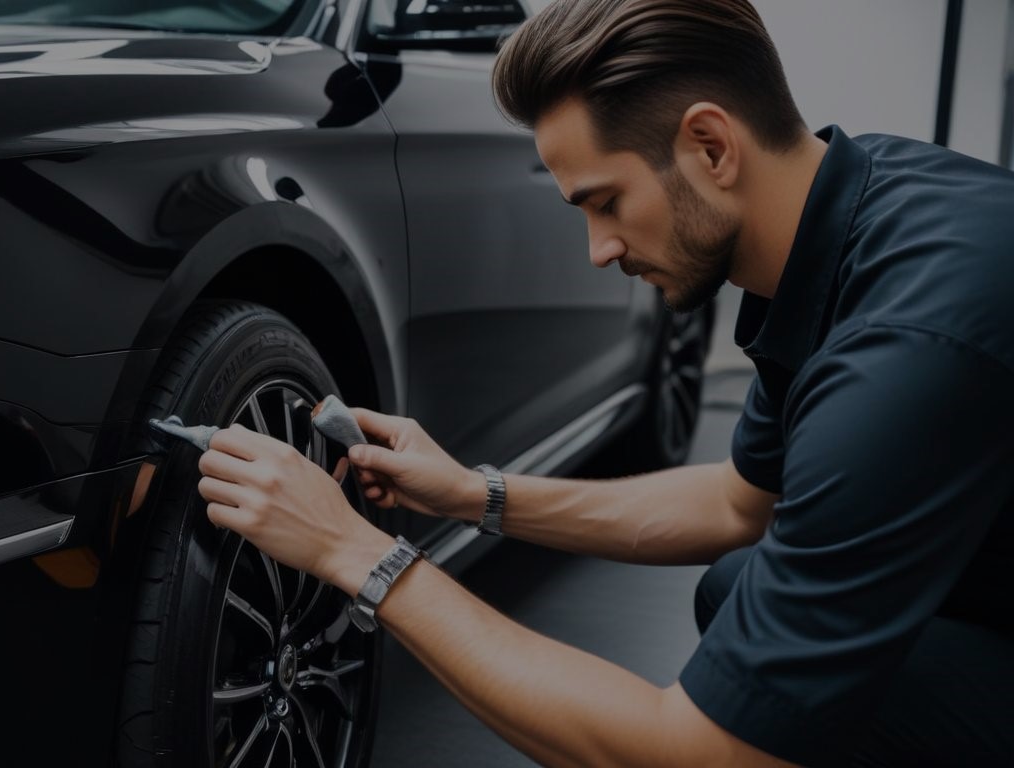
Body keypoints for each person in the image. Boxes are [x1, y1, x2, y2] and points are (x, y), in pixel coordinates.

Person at [193, 0, 1014, 764]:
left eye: (607, 202)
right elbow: (738, 503)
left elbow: (697, 753)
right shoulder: (857, 211)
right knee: (736, 590)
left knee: (752, 711)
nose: (600, 250)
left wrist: (354, 551)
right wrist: (468, 494)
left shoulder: (907, 343)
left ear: (711, 147)